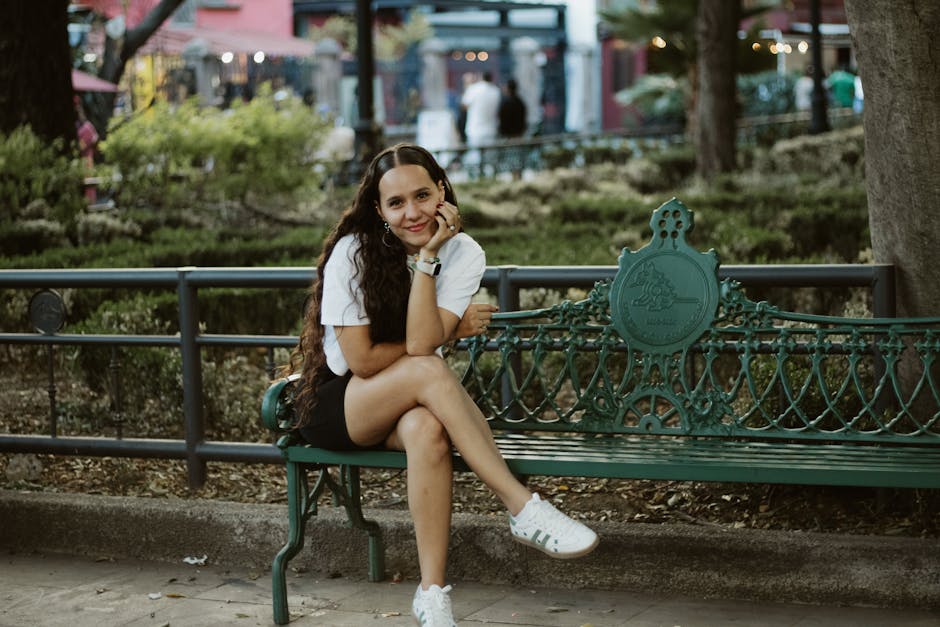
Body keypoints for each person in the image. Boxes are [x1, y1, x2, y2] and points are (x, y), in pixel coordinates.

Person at [285, 143, 599, 626]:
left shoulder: (464, 252)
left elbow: (421, 341)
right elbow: (366, 360)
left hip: (404, 396)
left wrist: (431, 258)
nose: (412, 213)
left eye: (422, 195)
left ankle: (431, 594)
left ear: (443, 193)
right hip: (338, 402)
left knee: (427, 431)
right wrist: (447, 326)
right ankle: (521, 507)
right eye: (396, 203)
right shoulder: (353, 252)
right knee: (428, 369)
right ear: (378, 209)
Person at [460, 71, 501, 147]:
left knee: (475, 157)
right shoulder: (496, 91)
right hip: (491, 130)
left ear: (481, 77)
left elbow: (464, 106)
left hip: (475, 130)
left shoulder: (473, 89)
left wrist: (467, 85)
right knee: (490, 157)